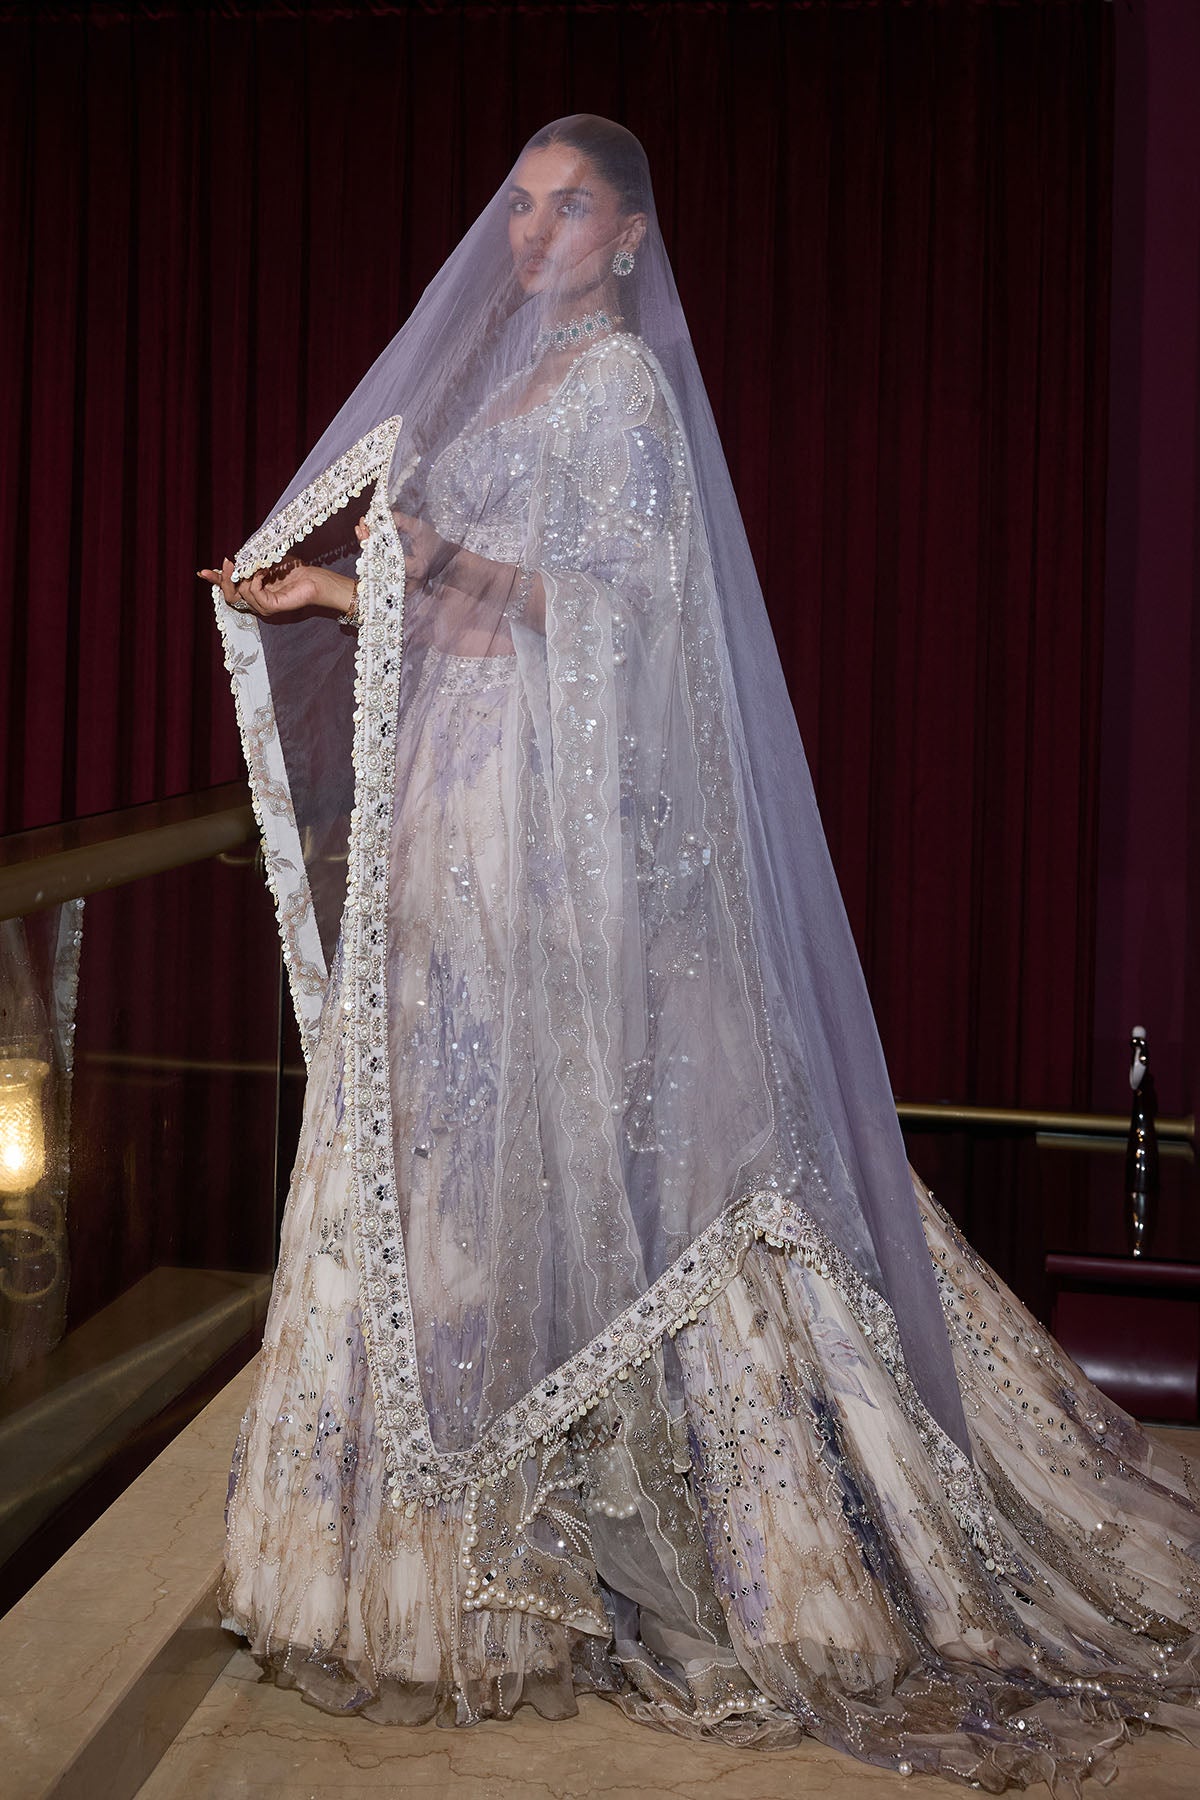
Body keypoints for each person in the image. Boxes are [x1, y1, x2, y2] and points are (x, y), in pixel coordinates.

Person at [200, 116, 1200, 1787]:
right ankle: (392, 1561)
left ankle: (526, 1549)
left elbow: (630, 611)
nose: (533, 234)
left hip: (543, 818)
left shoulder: (621, 390)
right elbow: (476, 609)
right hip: (453, 796)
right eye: (518, 207)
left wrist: (442, 555)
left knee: (518, 1141)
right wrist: (338, 597)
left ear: (632, 234)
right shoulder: (507, 386)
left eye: (567, 206)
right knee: (423, 1140)